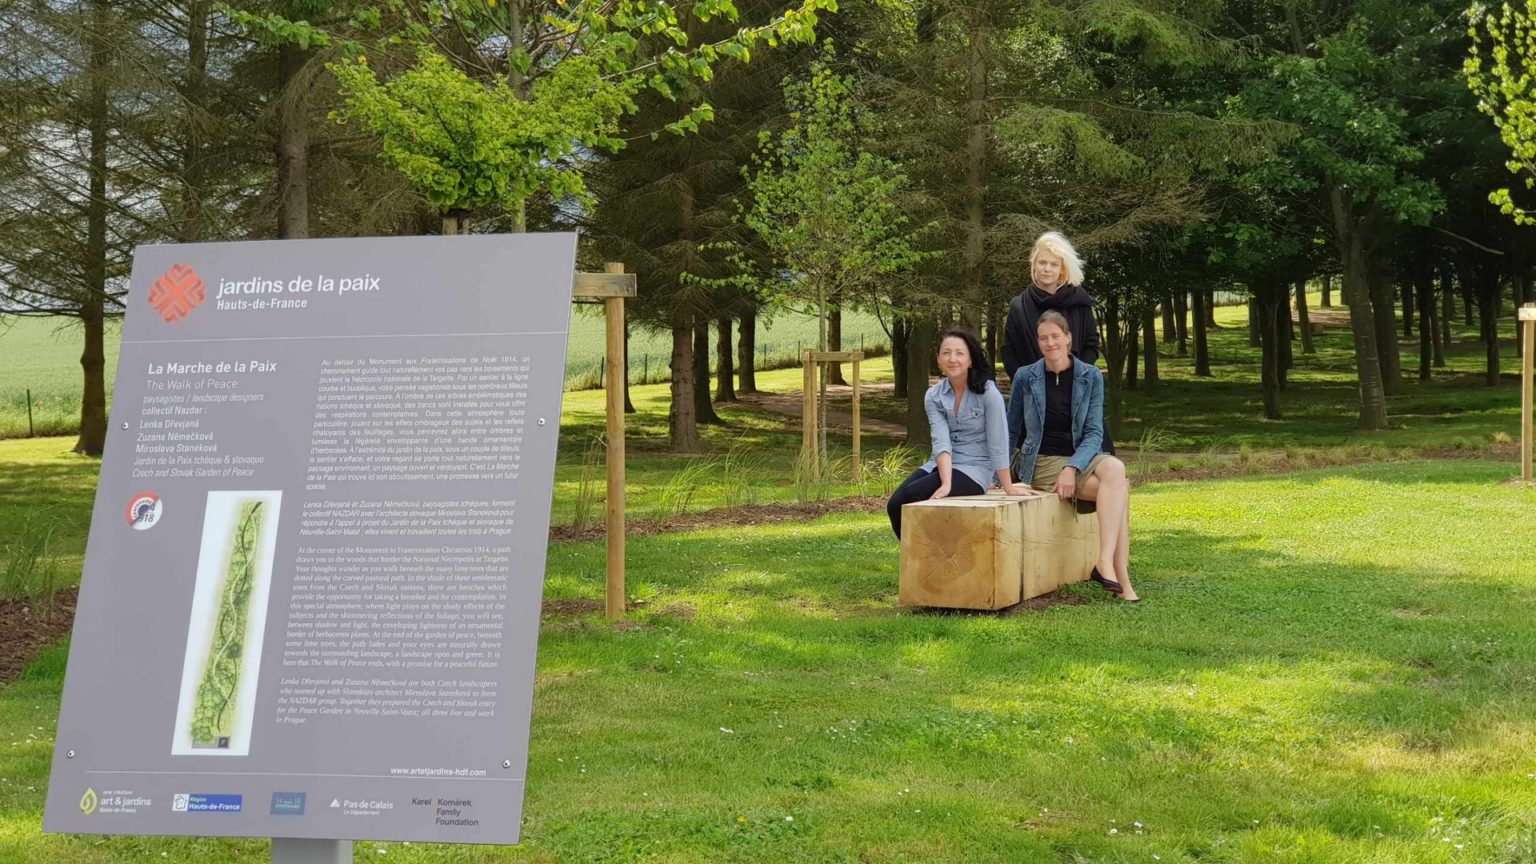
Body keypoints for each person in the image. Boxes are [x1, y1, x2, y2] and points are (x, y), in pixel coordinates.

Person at [1007, 311, 1139, 602]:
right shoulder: (1025, 377)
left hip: (1081, 457)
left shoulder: (1090, 376)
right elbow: (1010, 429)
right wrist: (1001, 477)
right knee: (1118, 492)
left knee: (1115, 469)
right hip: (1041, 460)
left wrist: (1072, 468)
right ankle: (1122, 580)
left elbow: (1094, 432)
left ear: (1068, 338)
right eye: (1043, 338)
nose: (1050, 343)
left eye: (1056, 336)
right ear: (1038, 342)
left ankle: (1104, 563)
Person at [887, 328, 1031, 539]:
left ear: (970, 360)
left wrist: (1007, 486)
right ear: (938, 360)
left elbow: (998, 442)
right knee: (895, 504)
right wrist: (946, 483)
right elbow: (941, 442)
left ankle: (931, 554)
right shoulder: (934, 395)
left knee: (912, 495)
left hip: (975, 469)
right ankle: (918, 557)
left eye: (959, 353)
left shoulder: (988, 393)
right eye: (946, 353)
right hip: (941, 464)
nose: (952, 359)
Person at [1002, 231, 1102, 378]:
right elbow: (1010, 352)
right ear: (1034, 264)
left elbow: (1091, 344)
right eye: (1042, 262)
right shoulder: (1019, 307)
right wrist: (1025, 383)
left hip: (1076, 385)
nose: (1047, 269)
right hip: (1032, 387)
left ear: (1062, 269)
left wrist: (1078, 378)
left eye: (1054, 264)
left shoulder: (1080, 302)